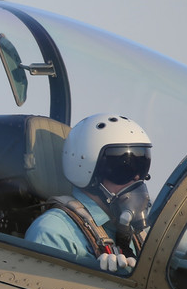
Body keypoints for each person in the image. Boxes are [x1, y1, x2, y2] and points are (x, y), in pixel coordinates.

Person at [25, 113, 152, 273]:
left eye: (142, 167)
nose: (136, 178)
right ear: (88, 170)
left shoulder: (138, 235)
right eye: (125, 167)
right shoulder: (54, 233)